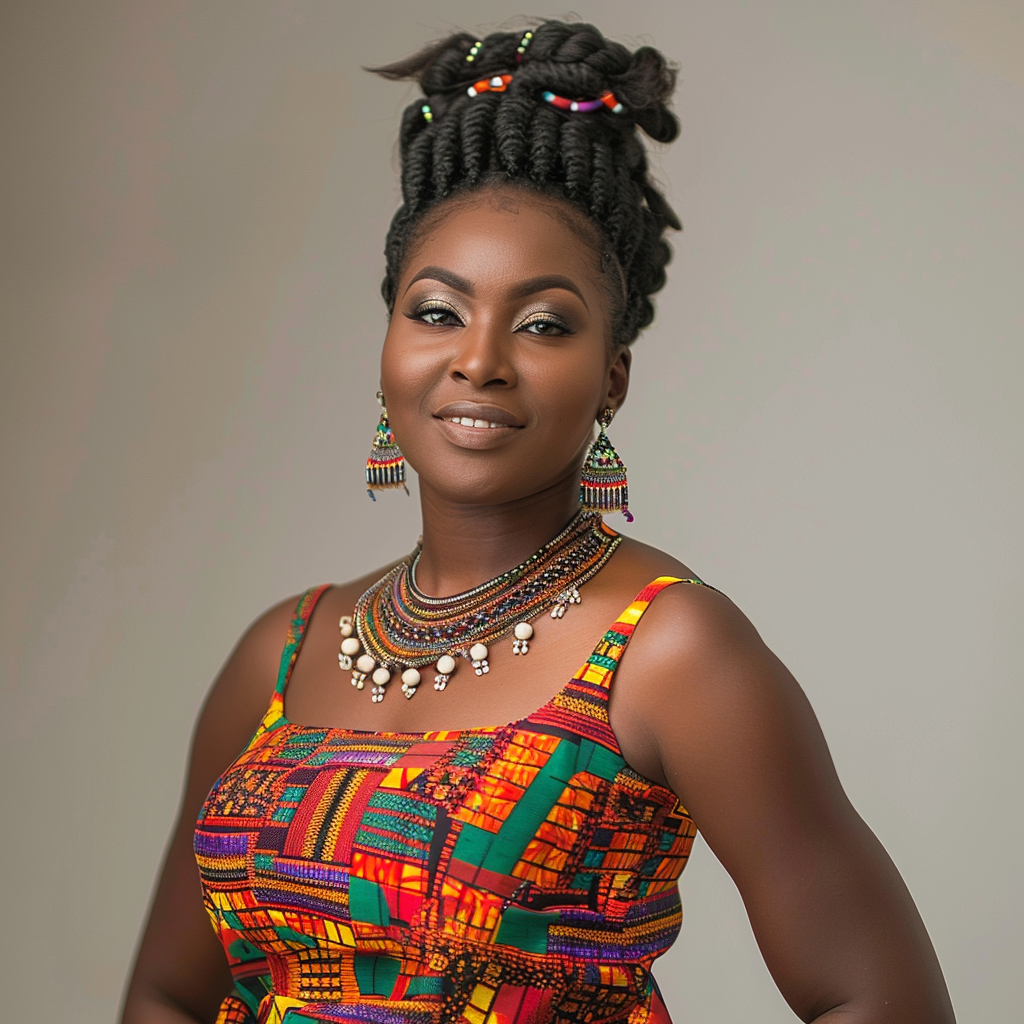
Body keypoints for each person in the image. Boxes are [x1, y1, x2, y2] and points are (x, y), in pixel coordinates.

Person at [121, 20, 956, 1024]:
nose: (479, 359)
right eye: (436, 310)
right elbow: (167, 992)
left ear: (612, 379)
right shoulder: (280, 651)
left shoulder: (668, 649)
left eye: (543, 323)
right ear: (388, 344)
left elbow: (880, 997)